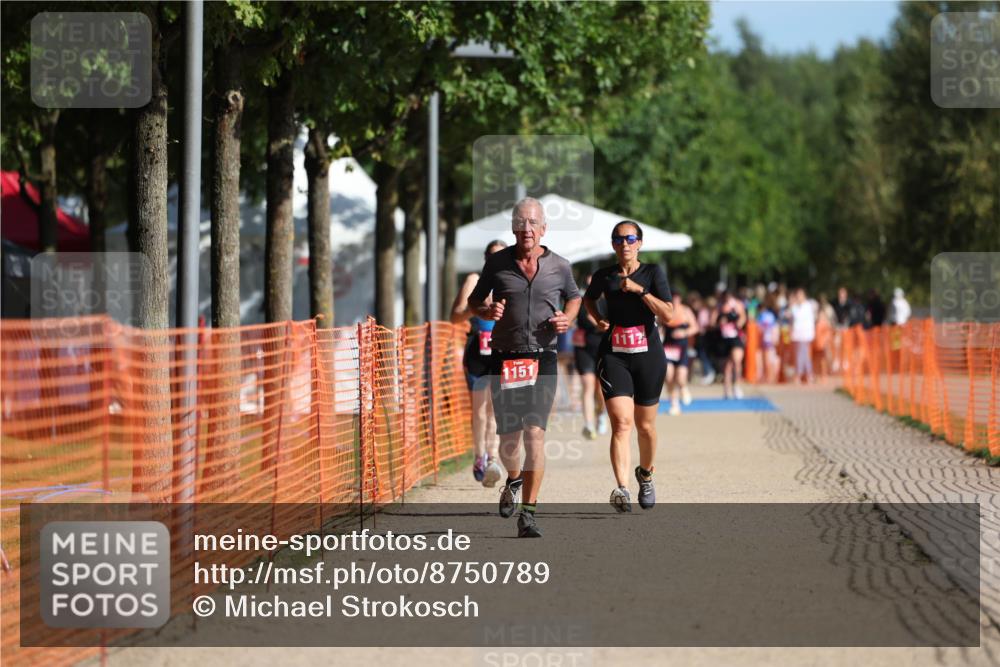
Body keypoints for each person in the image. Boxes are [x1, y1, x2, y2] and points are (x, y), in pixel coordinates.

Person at [467, 197, 581, 538]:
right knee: (509, 442)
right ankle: (514, 480)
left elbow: (574, 296)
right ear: (513, 227)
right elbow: (475, 301)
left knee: (535, 434)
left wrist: (568, 317)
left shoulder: (560, 265)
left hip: (543, 356)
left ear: (543, 228)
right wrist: (486, 312)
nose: (526, 229)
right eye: (521, 222)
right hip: (505, 356)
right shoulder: (497, 264)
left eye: (533, 223)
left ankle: (529, 513)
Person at [583, 221, 673, 513]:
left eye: (630, 238)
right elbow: (588, 298)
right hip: (614, 355)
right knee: (621, 424)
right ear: (613, 245)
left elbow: (669, 315)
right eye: (618, 239)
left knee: (645, 426)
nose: (624, 244)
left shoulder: (653, 273)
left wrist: (640, 291)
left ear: (640, 243)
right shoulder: (603, 276)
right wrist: (597, 318)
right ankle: (622, 488)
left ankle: (645, 475)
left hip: (648, 356)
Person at [450, 240, 507, 487]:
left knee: (495, 410)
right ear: (485, 259)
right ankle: (479, 456)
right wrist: (480, 309)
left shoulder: (510, 280)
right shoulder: (475, 280)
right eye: (491, 256)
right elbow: (455, 315)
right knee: (479, 410)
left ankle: (492, 458)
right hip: (476, 353)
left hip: (501, 351)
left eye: (501, 256)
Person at [574, 274, 608, 440]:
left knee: (601, 391)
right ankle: (588, 424)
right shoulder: (581, 303)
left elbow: (606, 323)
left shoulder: (608, 302)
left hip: (603, 348)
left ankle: (601, 414)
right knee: (587, 386)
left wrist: (598, 322)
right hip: (584, 349)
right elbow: (583, 319)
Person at [662, 292, 699, 415]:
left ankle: (683, 388)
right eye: (672, 297)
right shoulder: (665, 309)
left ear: (680, 298)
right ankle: (674, 404)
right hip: (668, 347)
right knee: (668, 375)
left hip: (681, 348)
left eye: (677, 297)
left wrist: (684, 333)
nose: (675, 299)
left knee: (680, 377)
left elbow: (695, 327)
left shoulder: (686, 311)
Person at [711, 289, 747, 399]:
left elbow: (743, 317)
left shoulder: (737, 305)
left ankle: (737, 386)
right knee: (727, 366)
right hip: (724, 339)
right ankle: (727, 390)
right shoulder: (719, 307)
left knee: (737, 361)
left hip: (736, 337)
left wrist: (738, 324)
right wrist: (720, 323)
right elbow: (712, 322)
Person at [789, 288, 816, 384]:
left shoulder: (808, 306)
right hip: (797, 334)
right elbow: (792, 319)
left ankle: (802, 374)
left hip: (805, 334)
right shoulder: (795, 307)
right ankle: (807, 374)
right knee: (801, 355)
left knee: (802, 355)